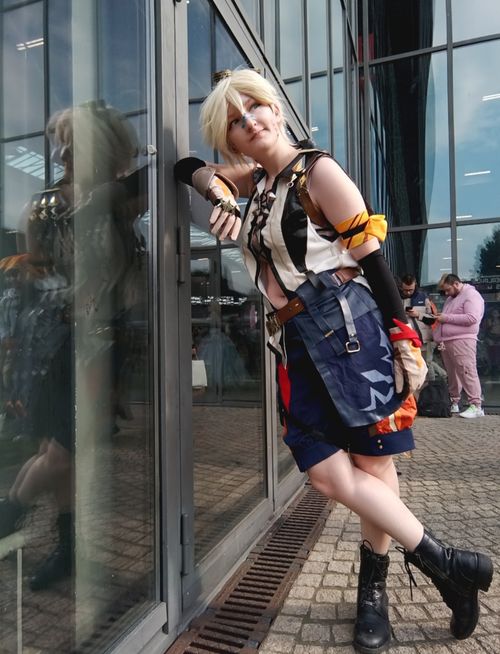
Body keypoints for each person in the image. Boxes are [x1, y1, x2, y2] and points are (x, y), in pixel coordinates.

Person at [174, 68, 493, 653]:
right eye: (236, 123)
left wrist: (405, 339)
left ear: (276, 109)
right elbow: (184, 168)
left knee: (372, 465)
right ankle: (446, 563)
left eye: (256, 109)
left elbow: (373, 262)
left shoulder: (316, 172)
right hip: (297, 340)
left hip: (351, 330)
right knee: (323, 470)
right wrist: (218, 193)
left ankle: (375, 591)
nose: (251, 124)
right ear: (232, 139)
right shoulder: (258, 183)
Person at [0, 101, 141, 590]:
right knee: (57, 451)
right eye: (62, 147)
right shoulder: (43, 207)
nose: (64, 156)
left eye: (76, 146)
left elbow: (169, 172)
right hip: (56, 342)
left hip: (103, 340)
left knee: (63, 451)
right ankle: (55, 542)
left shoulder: (120, 198)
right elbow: (35, 277)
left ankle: (21, 521)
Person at [434, 274, 485, 418]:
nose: (446, 293)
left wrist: (445, 318)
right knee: (453, 374)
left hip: (463, 340)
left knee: (467, 371)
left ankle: (476, 405)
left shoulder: (471, 295)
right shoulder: (452, 298)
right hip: (448, 340)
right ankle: (455, 401)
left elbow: (472, 318)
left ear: (456, 284)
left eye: (448, 289)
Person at [399, 273, 446, 382]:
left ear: (415, 285)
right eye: (405, 290)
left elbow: (432, 319)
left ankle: (432, 385)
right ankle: (441, 377)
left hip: (424, 338)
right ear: (401, 286)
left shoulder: (423, 298)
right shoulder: (397, 298)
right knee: (417, 364)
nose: (408, 292)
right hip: (407, 339)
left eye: (410, 290)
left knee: (426, 363)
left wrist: (418, 315)